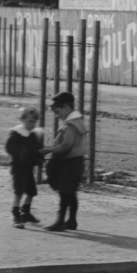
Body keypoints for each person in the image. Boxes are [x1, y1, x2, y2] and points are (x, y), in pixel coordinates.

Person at [45, 91, 90, 232]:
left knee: (65, 191)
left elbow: (66, 146)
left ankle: (60, 221)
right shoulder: (78, 122)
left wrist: (49, 150)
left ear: (65, 107)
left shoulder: (70, 125)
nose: (56, 114)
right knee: (70, 192)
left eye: (57, 111)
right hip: (77, 162)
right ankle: (71, 221)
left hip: (69, 163)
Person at [5, 106, 46, 227]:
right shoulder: (16, 133)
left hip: (28, 168)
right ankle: (16, 216)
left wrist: (39, 157)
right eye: (29, 121)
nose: (32, 124)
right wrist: (22, 151)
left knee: (31, 191)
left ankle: (25, 212)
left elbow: (36, 150)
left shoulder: (33, 135)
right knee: (19, 192)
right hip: (18, 168)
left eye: (34, 122)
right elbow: (9, 147)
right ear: (22, 120)